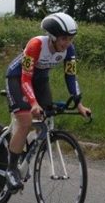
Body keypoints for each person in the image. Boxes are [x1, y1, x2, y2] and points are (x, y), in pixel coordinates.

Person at [5, 12, 91, 193]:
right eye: (63, 38)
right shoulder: (36, 44)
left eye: (70, 39)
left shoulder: (70, 50)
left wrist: (79, 104)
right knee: (26, 120)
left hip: (40, 80)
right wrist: (33, 103)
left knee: (46, 117)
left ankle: (25, 153)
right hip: (17, 78)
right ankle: (11, 169)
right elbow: (25, 78)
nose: (67, 43)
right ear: (52, 37)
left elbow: (71, 76)